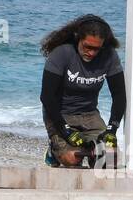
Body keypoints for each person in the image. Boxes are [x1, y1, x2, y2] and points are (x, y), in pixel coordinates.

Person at [40, 14, 126, 167]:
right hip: (60, 114)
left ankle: (92, 154)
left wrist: (112, 129)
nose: (91, 53)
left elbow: (119, 95)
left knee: (109, 160)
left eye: (96, 49)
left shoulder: (110, 56)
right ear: (77, 38)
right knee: (73, 159)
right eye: (87, 47)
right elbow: (47, 97)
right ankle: (54, 151)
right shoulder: (61, 53)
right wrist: (65, 130)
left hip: (90, 115)